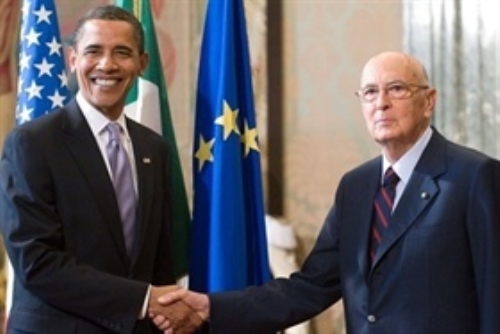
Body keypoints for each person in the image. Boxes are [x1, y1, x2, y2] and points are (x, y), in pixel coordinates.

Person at [153, 51, 500, 333]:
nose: (381, 103)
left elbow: (494, 296)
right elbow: (310, 287)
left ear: (429, 101)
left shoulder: (473, 176)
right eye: (369, 92)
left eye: (396, 89)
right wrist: (212, 307)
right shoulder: (356, 187)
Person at [0, 5, 200, 334]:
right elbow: (37, 263)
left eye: (122, 52)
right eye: (94, 51)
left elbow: (158, 262)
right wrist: (143, 299)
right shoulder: (32, 144)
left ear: (142, 64)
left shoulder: (154, 149)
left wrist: (166, 310)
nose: (107, 64)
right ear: (73, 59)